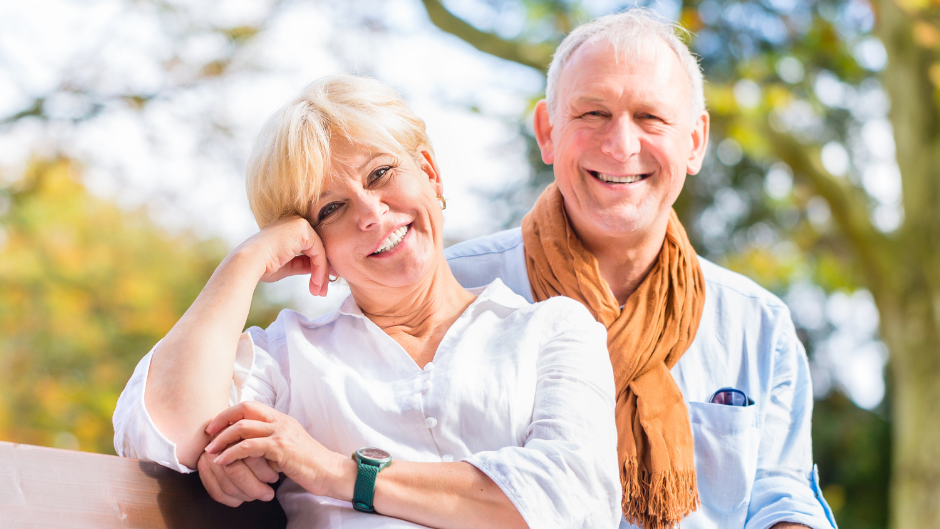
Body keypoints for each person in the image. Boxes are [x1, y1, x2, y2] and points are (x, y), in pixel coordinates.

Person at [112, 75, 622, 529]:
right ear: (311, 244)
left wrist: (332, 470)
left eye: (380, 174)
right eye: (331, 208)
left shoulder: (553, 330)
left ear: (430, 173)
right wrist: (244, 262)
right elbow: (163, 432)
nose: (372, 215)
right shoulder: (288, 359)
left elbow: (575, 499)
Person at [444, 9, 837, 529]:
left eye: (651, 117)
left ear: (695, 141)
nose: (621, 145)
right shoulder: (454, 291)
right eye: (592, 114)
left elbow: (780, 498)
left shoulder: (758, 326)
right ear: (548, 131)